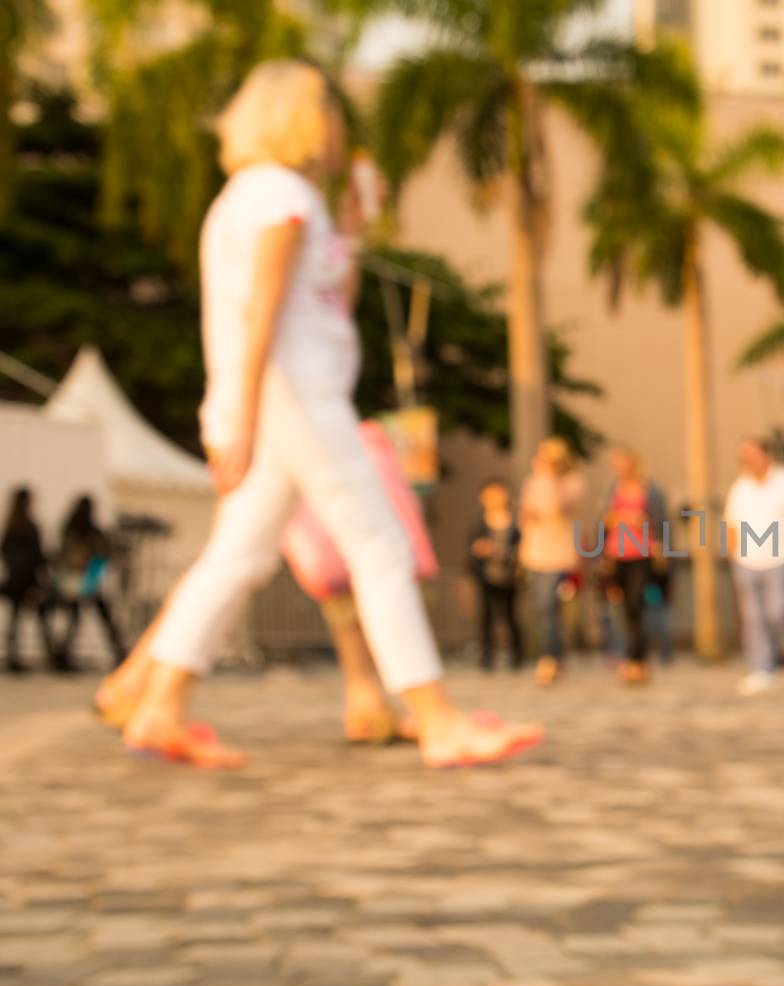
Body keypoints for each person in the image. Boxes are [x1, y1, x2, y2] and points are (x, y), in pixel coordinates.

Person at [110, 60, 541, 768]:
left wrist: (351, 227)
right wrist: (245, 413)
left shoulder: (255, 197)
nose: (339, 127)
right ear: (306, 119)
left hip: (279, 395)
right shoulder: (282, 196)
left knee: (237, 556)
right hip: (297, 395)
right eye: (332, 112)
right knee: (378, 543)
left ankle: (160, 706)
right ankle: (435, 718)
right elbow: (265, 315)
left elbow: (321, 296)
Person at [724, 436, 784, 695]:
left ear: (766, 456)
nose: (748, 463)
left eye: (752, 456)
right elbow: (731, 522)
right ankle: (761, 668)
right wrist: (734, 554)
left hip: (780, 559)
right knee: (753, 618)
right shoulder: (740, 487)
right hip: (746, 562)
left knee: (780, 611)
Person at [520, 437, 585, 685]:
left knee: (549, 607)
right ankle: (553, 656)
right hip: (534, 553)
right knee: (540, 609)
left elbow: (555, 508)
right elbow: (527, 515)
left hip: (559, 555)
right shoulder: (533, 482)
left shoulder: (572, 483)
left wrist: (548, 479)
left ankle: (550, 658)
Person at [601, 446, 666, 685]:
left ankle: (635, 659)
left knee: (638, 605)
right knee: (623, 608)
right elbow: (604, 519)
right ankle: (631, 657)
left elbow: (659, 521)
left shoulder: (650, 491)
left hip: (642, 553)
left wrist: (644, 525)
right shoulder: (612, 490)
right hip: (617, 554)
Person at [55, 495, 128, 670]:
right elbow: (103, 554)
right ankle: (119, 652)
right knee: (103, 618)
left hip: (71, 580)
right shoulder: (93, 532)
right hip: (90, 579)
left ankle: (62, 655)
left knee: (74, 620)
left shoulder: (68, 530)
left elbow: (61, 556)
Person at [469, 477, 523, 671]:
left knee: (511, 616)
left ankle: (517, 656)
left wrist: (504, 553)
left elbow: (521, 547)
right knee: (486, 617)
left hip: (509, 576)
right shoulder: (479, 522)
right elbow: (472, 547)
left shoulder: (516, 521)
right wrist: (481, 549)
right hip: (486, 575)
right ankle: (486, 657)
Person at [3, 487, 59, 673]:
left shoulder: (11, 525)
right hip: (28, 582)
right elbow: (37, 557)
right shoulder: (30, 526)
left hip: (14, 581)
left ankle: (13, 656)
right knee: (41, 621)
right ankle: (52, 656)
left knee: (16, 621)